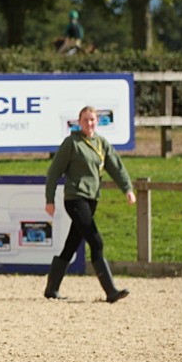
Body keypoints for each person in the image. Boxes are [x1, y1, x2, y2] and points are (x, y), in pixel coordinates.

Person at [44, 106, 136, 302]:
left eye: (93, 119)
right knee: (96, 241)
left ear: (97, 121)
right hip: (75, 198)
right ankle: (110, 291)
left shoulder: (101, 143)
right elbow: (53, 172)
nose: (90, 123)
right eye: (86, 120)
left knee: (71, 245)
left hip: (91, 199)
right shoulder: (72, 143)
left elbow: (116, 167)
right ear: (79, 121)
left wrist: (127, 189)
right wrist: (49, 200)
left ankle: (51, 289)